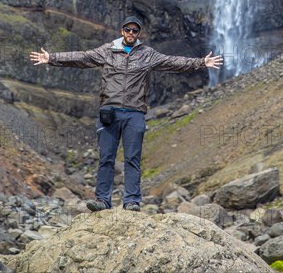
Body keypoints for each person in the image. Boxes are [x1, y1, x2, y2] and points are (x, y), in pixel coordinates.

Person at [30, 15, 223, 212]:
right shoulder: (107, 50)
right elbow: (82, 57)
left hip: (135, 113)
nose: (131, 33)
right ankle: (102, 200)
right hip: (109, 112)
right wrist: (52, 58)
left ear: (139, 34)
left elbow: (172, 62)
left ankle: (131, 201)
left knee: (132, 158)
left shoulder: (147, 54)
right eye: (128, 30)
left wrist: (201, 63)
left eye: (135, 31)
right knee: (106, 158)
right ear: (122, 31)